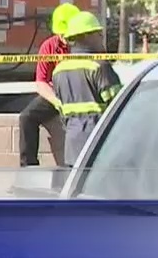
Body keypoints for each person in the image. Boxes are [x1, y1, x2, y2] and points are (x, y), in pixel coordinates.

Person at [52, 11, 123, 167]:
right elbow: (120, 107)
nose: (101, 38)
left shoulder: (58, 70)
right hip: (100, 146)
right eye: (98, 34)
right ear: (86, 36)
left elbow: (61, 111)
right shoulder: (99, 66)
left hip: (72, 148)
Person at [18, 2, 81, 167]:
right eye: (61, 33)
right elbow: (41, 82)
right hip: (57, 95)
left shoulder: (86, 46)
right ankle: (28, 168)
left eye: (68, 33)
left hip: (81, 92)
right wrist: (57, 102)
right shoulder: (49, 46)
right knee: (26, 118)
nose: (65, 38)